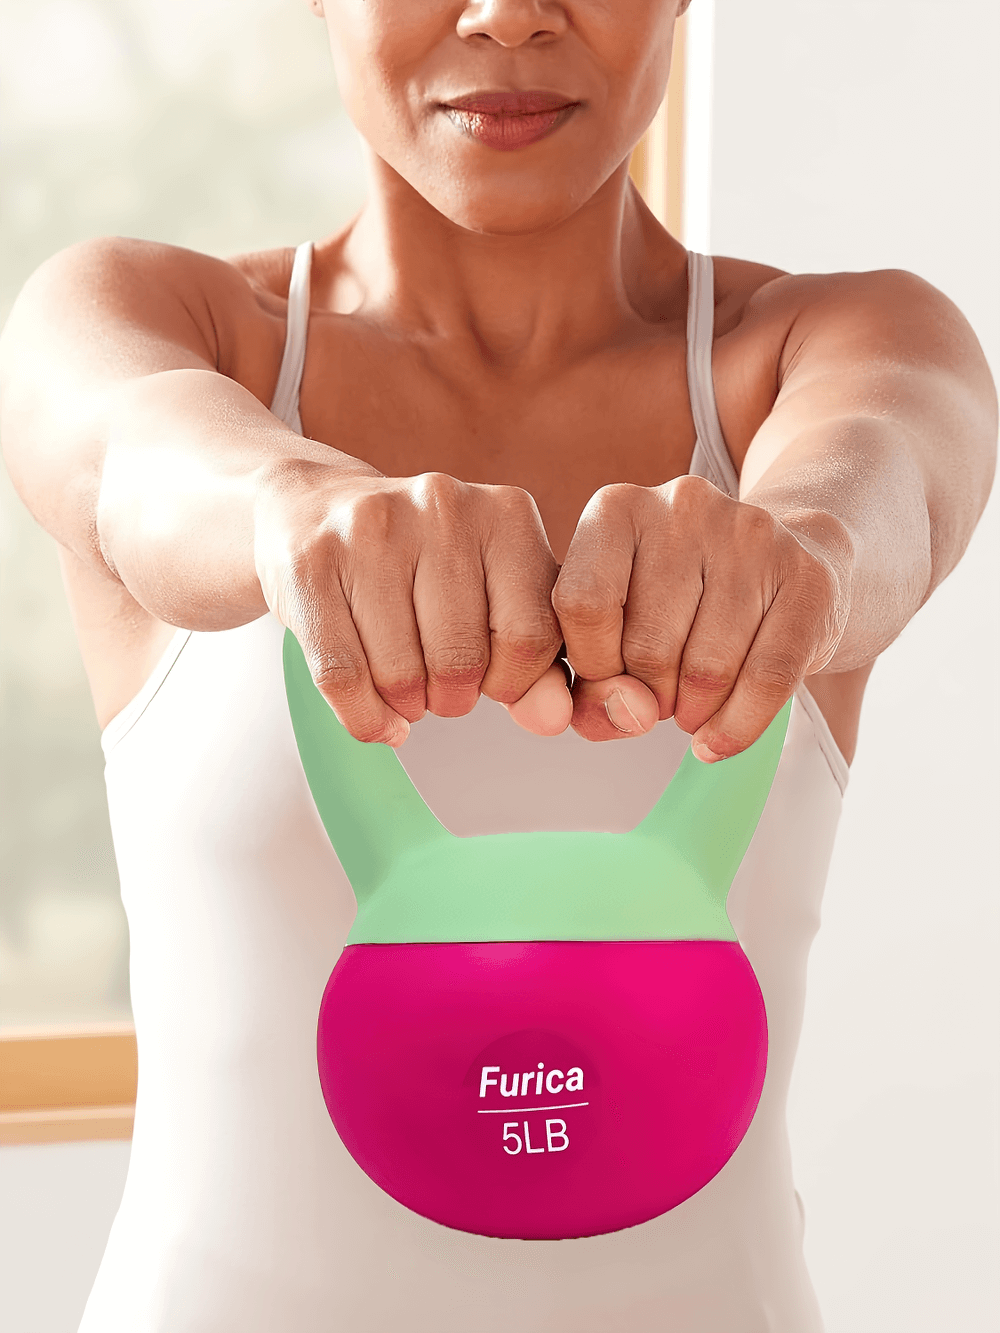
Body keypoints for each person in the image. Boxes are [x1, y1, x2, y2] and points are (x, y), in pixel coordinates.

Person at [0, 0, 995, 1328]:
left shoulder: (840, 348)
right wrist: (289, 505)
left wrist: (796, 554)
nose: (509, 13)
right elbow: (130, 456)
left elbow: (893, 488)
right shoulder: (149, 321)